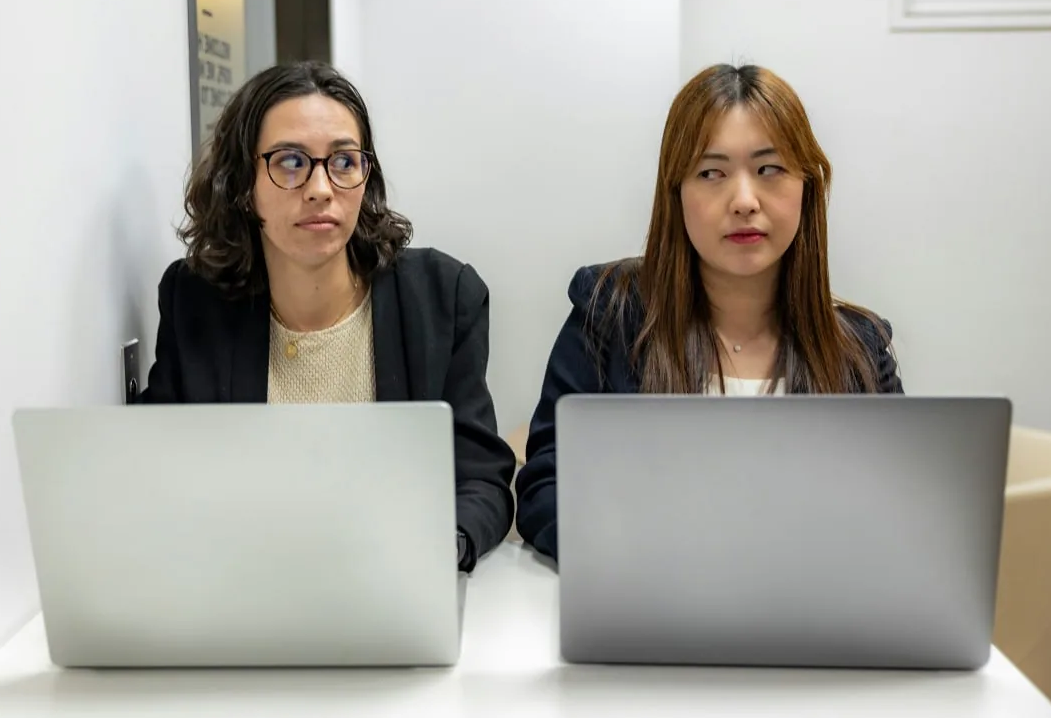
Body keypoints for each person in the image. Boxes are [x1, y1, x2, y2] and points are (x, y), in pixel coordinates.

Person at [514, 64, 903, 561]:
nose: (744, 201)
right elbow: (547, 486)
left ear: (807, 185)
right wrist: (640, 554)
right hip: (651, 606)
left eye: (770, 169)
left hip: (811, 617)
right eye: (711, 173)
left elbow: (899, 511)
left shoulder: (860, 349)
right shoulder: (611, 311)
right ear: (676, 192)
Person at [140, 61, 515, 571]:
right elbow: (155, 473)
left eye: (343, 161)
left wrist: (439, 549)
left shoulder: (443, 297)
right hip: (242, 587)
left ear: (366, 176)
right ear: (243, 185)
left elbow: (480, 479)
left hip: (392, 589)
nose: (320, 187)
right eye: (291, 162)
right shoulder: (195, 302)